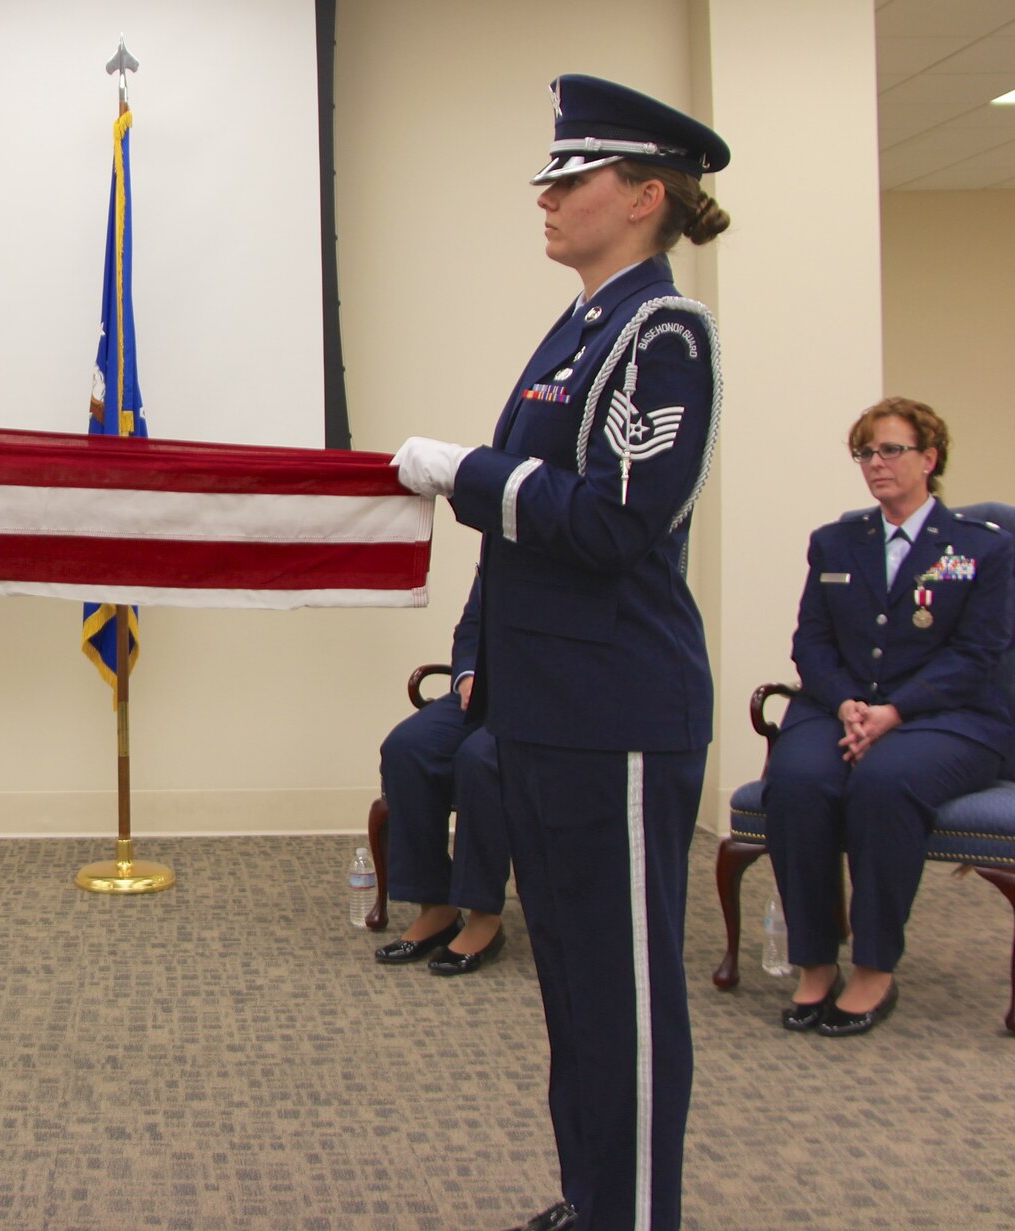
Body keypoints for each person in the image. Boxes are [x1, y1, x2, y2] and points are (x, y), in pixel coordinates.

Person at [391, 75, 731, 1231]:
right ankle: (597, 1199)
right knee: (577, 989)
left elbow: (610, 522)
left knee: (624, 996)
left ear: (643, 196)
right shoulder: (582, 321)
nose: (544, 197)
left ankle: (633, 1217)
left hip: (614, 706)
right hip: (545, 704)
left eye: (568, 179)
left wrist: (469, 473)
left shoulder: (662, 332)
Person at [763, 399, 1013, 1037]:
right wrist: (849, 704)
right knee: (796, 781)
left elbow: (978, 654)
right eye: (865, 453)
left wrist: (895, 711)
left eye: (890, 450)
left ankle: (876, 967)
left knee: (884, 783)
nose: (875, 464)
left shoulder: (982, 548)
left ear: (929, 459)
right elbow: (811, 644)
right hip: (840, 707)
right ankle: (815, 963)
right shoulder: (835, 541)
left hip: (949, 718)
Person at [373, 578, 510, 974]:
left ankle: (484, 916)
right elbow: (472, 626)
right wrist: (467, 676)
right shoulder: (499, 534)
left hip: (542, 698)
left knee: (478, 759)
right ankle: (437, 907)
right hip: (484, 692)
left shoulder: (567, 532)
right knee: (407, 749)